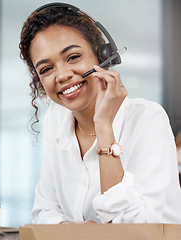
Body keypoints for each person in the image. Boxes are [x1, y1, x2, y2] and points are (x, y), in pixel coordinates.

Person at [19, 3, 181, 224]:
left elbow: (135, 229)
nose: (63, 75)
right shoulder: (56, 121)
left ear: (102, 55)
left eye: (73, 57)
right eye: (47, 69)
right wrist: (81, 233)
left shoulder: (147, 119)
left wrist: (104, 126)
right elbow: (43, 212)